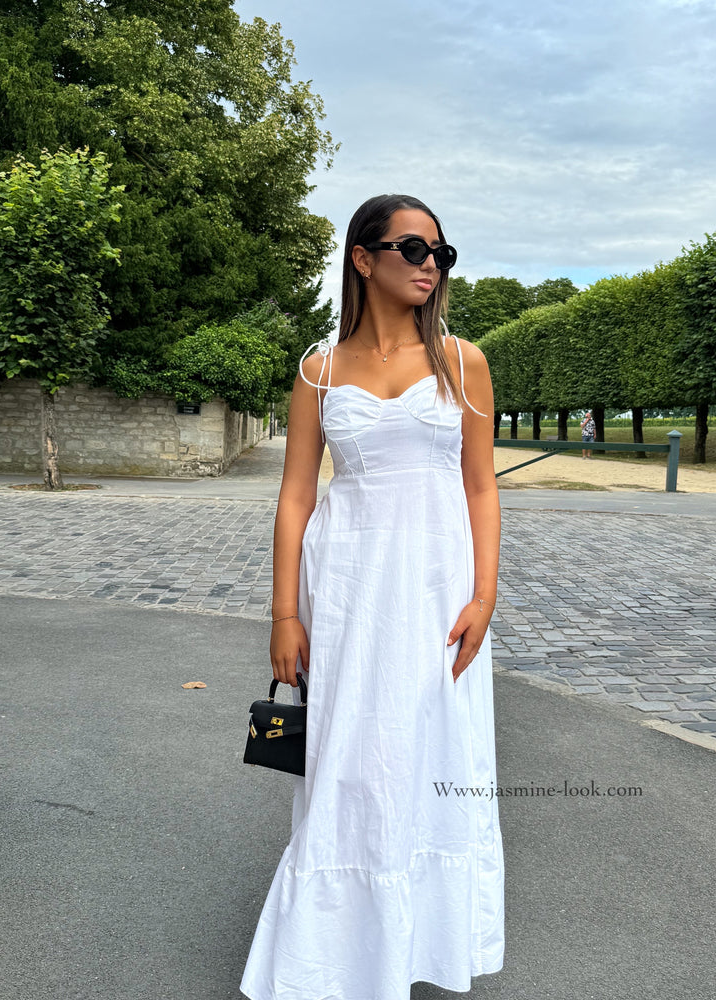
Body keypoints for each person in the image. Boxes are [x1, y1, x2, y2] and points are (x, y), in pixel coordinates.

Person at [239, 194, 505, 1000]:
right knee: (349, 760)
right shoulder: (319, 369)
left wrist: (485, 594)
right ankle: (327, 964)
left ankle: (415, 947)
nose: (430, 264)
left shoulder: (464, 361)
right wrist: (285, 612)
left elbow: (481, 488)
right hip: (349, 591)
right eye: (412, 248)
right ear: (363, 257)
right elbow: (294, 497)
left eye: (441, 253)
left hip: (435, 590)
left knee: (428, 752)